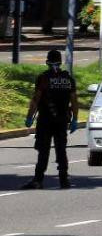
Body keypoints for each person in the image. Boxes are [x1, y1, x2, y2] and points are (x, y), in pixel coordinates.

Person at [21, 50, 79, 189]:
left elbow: (36, 99)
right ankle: (64, 180)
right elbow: (74, 101)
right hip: (62, 121)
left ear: (47, 61)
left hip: (45, 121)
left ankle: (38, 180)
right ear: (60, 61)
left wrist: (29, 117)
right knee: (61, 150)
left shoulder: (44, 78)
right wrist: (75, 119)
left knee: (43, 150)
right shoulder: (68, 79)